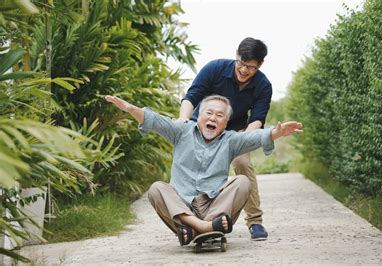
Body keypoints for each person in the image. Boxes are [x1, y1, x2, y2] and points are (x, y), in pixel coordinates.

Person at [105, 94, 302, 246]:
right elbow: (156, 121)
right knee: (157, 188)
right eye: (209, 113)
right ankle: (204, 228)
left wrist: (277, 133)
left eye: (220, 115)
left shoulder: (231, 140)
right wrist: (130, 109)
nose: (213, 118)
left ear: (226, 123)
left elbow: (256, 137)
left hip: (215, 208)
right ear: (198, 116)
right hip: (183, 206)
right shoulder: (181, 131)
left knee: (243, 181)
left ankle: (194, 230)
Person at [179, 37, 273, 240]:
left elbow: (257, 120)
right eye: (241, 63)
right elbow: (191, 96)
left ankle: (255, 222)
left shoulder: (263, 85)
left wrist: (242, 141)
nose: (244, 70)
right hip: (204, 128)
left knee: (243, 163)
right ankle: (189, 222)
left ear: (260, 65)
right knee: (192, 169)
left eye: (251, 67)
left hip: (237, 132)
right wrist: (183, 120)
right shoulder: (214, 69)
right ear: (236, 54)